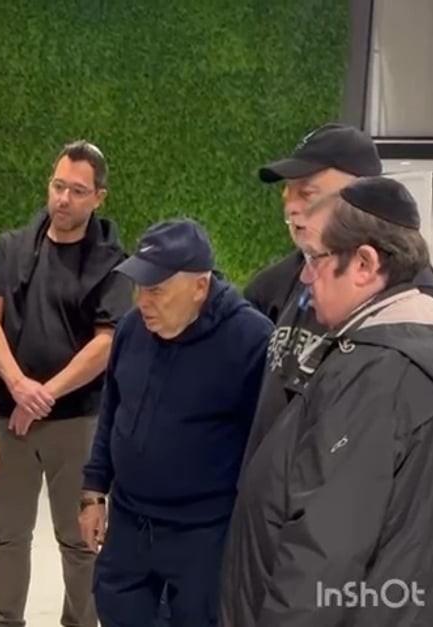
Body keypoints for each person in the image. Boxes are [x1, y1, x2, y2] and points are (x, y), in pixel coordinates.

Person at [220, 176, 433, 627]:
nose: (304, 276)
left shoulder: (377, 375)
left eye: (314, 258)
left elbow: (324, 556)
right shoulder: (404, 355)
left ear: (363, 263)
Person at [80, 219, 273, 627]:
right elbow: (112, 410)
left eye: (156, 290)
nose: (143, 301)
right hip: (129, 524)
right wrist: (93, 491)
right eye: (139, 287)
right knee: (115, 609)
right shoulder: (132, 329)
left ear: (199, 287)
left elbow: (265, 449)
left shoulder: (251, 341)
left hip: (203, 533)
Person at [0, 140, 131, 627]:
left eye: (77, 191)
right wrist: (18, 385)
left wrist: (44, 394)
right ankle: (6, 621)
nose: (63, 199)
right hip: (10, 417)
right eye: (58, 186)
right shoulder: (11, 247)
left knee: (79, 538)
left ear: (99, 197)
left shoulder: (112, 260)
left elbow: (107, 342)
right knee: (10, 537)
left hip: (77, 420)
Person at [241, 123, 433, 467]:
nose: (291, 207)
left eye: (307, 193)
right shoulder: (274, 284)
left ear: (362, 193)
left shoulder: (417, 299)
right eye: (287, 194)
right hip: (269, 490)